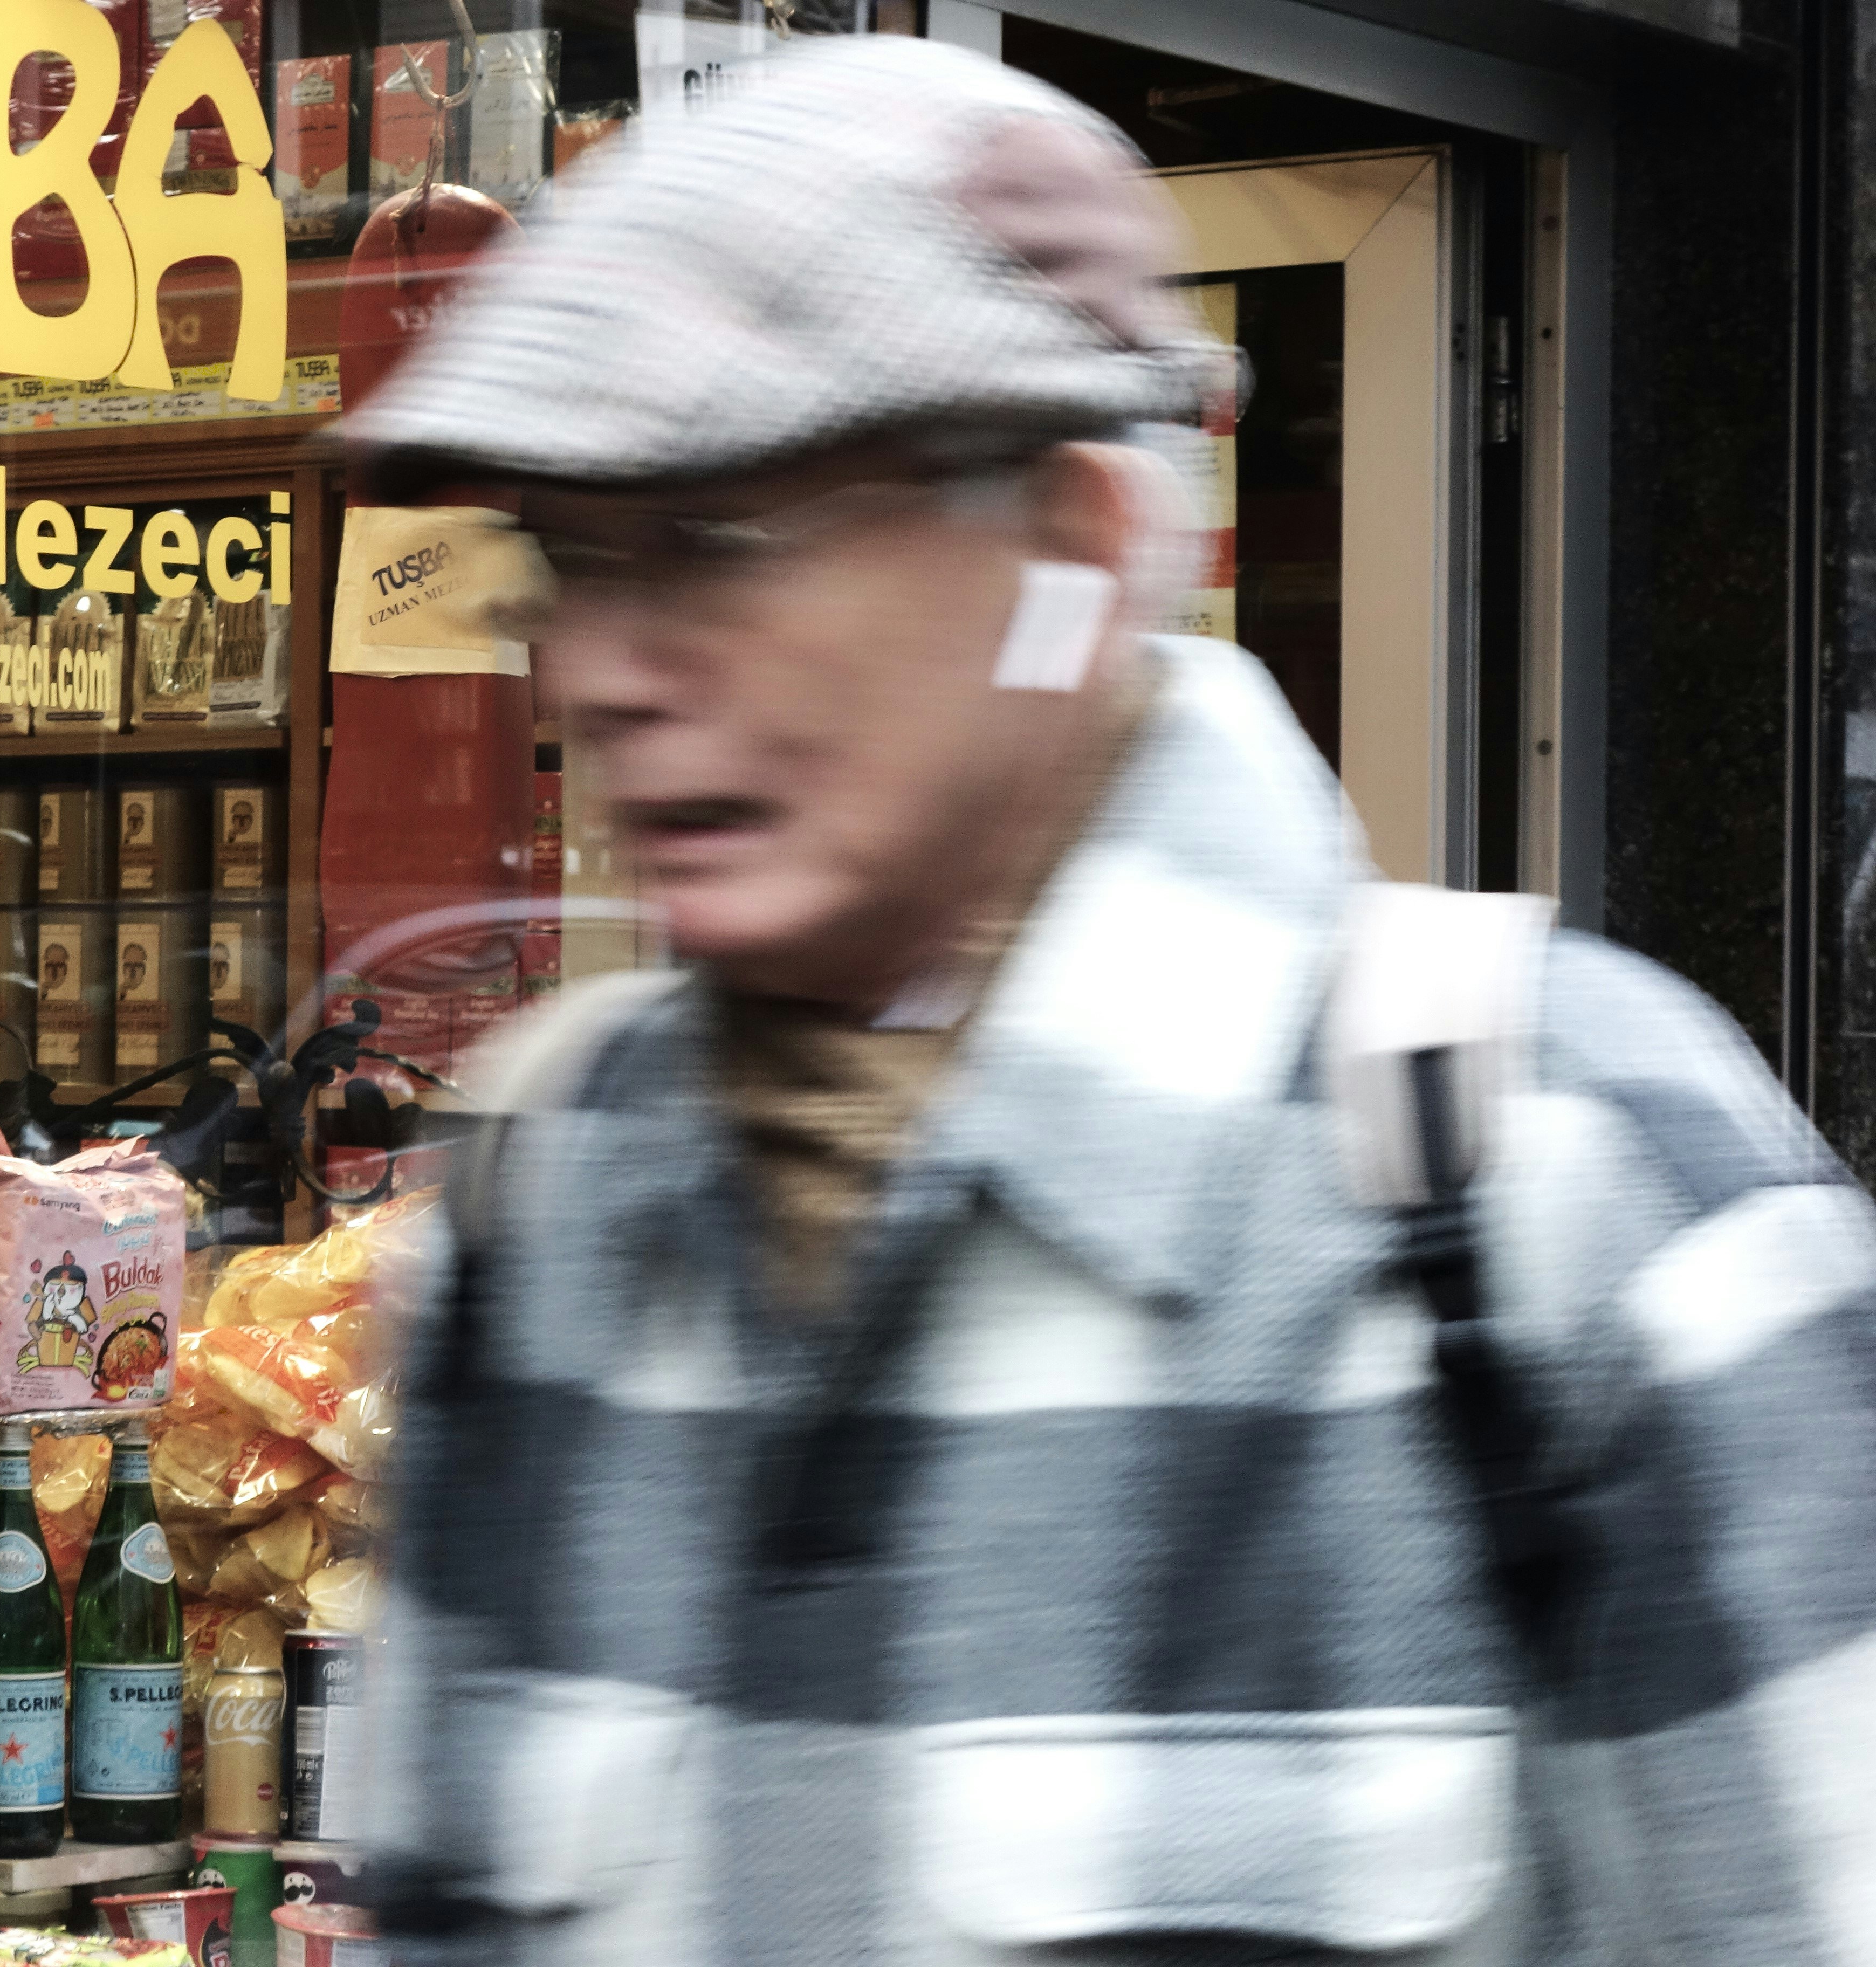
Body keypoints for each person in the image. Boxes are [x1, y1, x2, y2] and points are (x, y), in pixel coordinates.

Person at [347, 36, 1876, 1967]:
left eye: (720, 543)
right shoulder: (548, 1185)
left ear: (1071, 545)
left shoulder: (1581, 1177)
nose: (602, 678)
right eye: (570, 562)